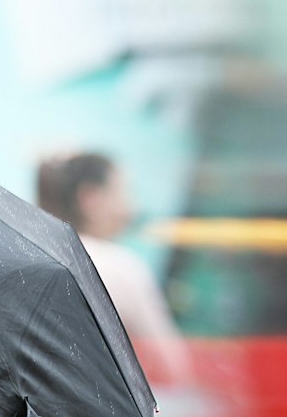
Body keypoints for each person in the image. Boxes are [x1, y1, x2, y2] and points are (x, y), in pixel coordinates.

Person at [37, 153, 193, 387]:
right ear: (90, 198)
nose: (131, 207)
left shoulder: (35, 257)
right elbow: (172, 368)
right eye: (122, 192)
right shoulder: (121, 266)